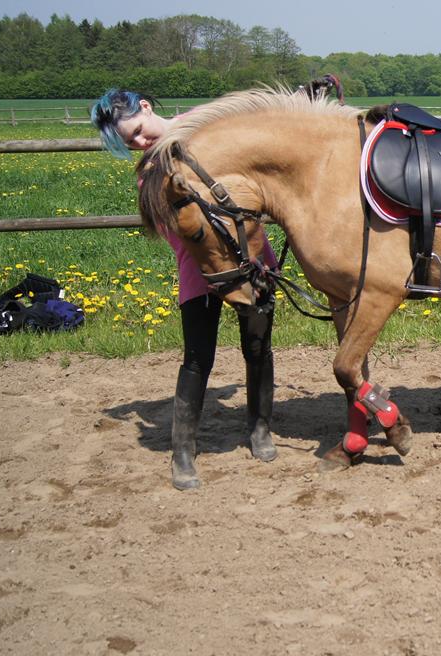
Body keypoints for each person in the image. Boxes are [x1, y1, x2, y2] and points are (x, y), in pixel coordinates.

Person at [91, 89, 279, 490]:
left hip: (252, 258)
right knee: (197, 358)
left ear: (146, 107)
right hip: (202, 270)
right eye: (131, 142)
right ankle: (182, 449)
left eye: (139, 132)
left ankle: (260, 428)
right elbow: (177, 233)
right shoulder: (150, 173)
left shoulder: (207, 126)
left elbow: (251, 118)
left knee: (258, 347)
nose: (141, 142)